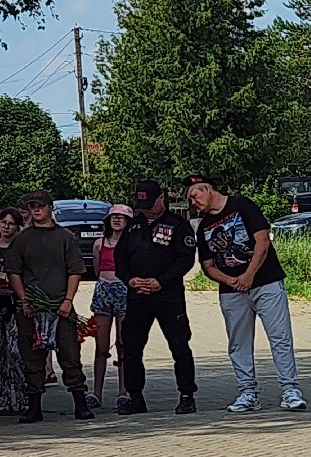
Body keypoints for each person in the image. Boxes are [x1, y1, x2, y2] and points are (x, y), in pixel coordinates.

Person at [187, 175, 306, 413]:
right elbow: (208, 265)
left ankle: (290, 390)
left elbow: (262, 241)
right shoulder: (203, 227)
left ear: (208, 189)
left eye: (194, 195)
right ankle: (247, 392)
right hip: (232, 291)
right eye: (190, 198)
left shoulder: (242, 205)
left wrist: (249, 274)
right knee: (238, 343)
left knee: (280, 337)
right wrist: (232, 280)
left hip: (266, 282)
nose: (193, 202)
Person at [7, 190, 92, 423]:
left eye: (40, 206)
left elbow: (75, 271)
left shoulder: (65, 237)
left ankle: (80, 404)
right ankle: (34, 407)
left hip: (60, 307)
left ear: (50, 208)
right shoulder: (22, 240)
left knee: (70, 356)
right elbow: (14, 272)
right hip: (31, 308)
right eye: (32, 206)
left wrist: (67, 300)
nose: (36, 210)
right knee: (32, 358)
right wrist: (24, 301)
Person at [116, 180, 198, 415]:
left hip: (168, 296)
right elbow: (119, 259)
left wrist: (161, 281)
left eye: (150, 203)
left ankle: (186, 395)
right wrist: (130, 279)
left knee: (179, 344)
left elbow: (185, 259)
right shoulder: (133, 226)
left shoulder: (178, 225)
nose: (147, 209)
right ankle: (135, 396)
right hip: (137, 295)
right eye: (142, 205)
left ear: (162, 198)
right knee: (131, 346)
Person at [86, 204, 132, 411]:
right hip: (104, 290)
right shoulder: (99, 244)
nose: (117, 220)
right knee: (100, 345)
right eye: (113, 217)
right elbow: (97, 269)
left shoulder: (131, 243)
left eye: (121, 217)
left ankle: (124, 391)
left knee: (124, 344)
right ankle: (96, 392)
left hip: (124, 290)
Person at [0, 206, 26, 415]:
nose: (7, 227)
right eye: (3, 223)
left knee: (15, 352)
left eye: (11, 224)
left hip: (15, 303)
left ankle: (21, 396)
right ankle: (3, 398)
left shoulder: (21, 248)